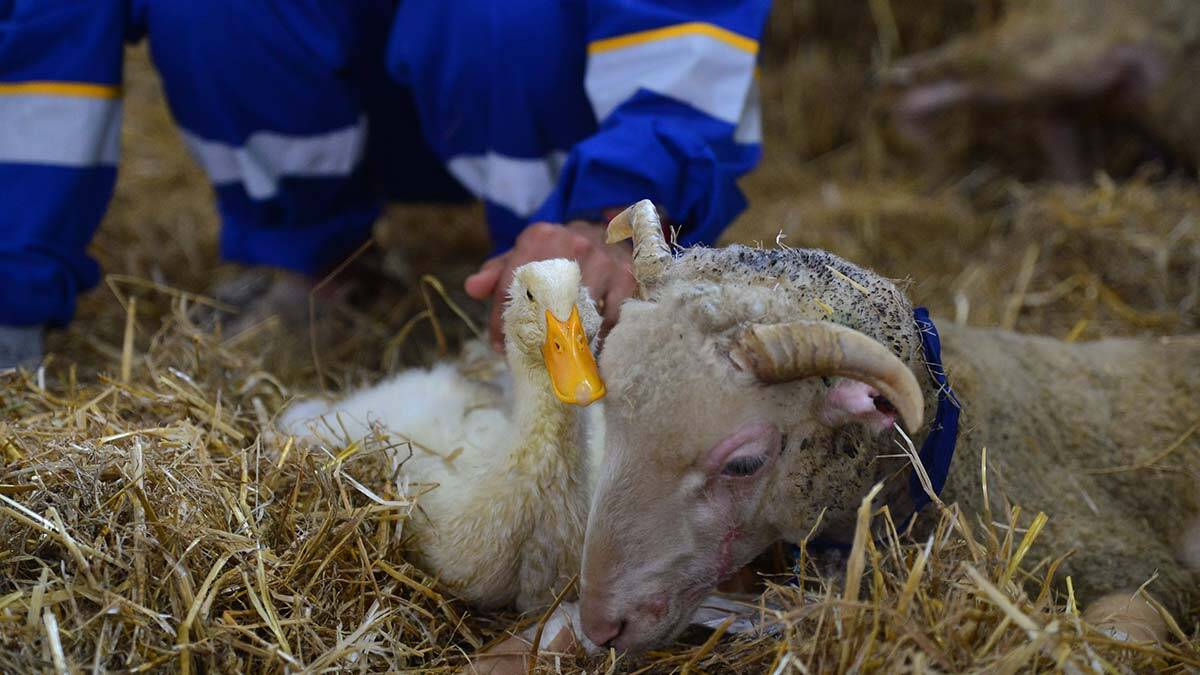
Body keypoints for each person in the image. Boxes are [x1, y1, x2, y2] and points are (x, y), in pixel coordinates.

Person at [0, 0, 771, 369]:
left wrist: (614, 215)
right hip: (351, 85)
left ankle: (552, 293)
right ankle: (305, 258)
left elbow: (686, 38)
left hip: (558, 94)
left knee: (499, 18)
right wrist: (12, 273)